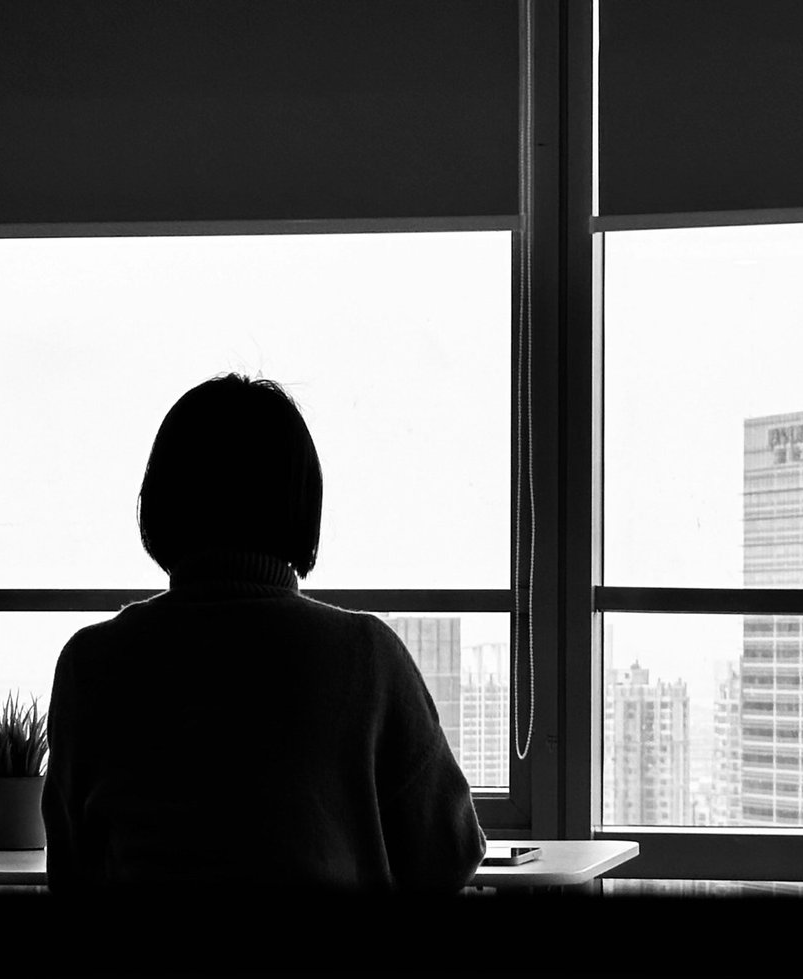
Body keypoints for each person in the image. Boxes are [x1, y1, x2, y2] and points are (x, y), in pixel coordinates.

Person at [41, 374, 487, 894]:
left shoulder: (90, 664)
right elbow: (449, 855)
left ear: (161, 498)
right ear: (301, 501)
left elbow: (72, 875)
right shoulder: (366, 656)